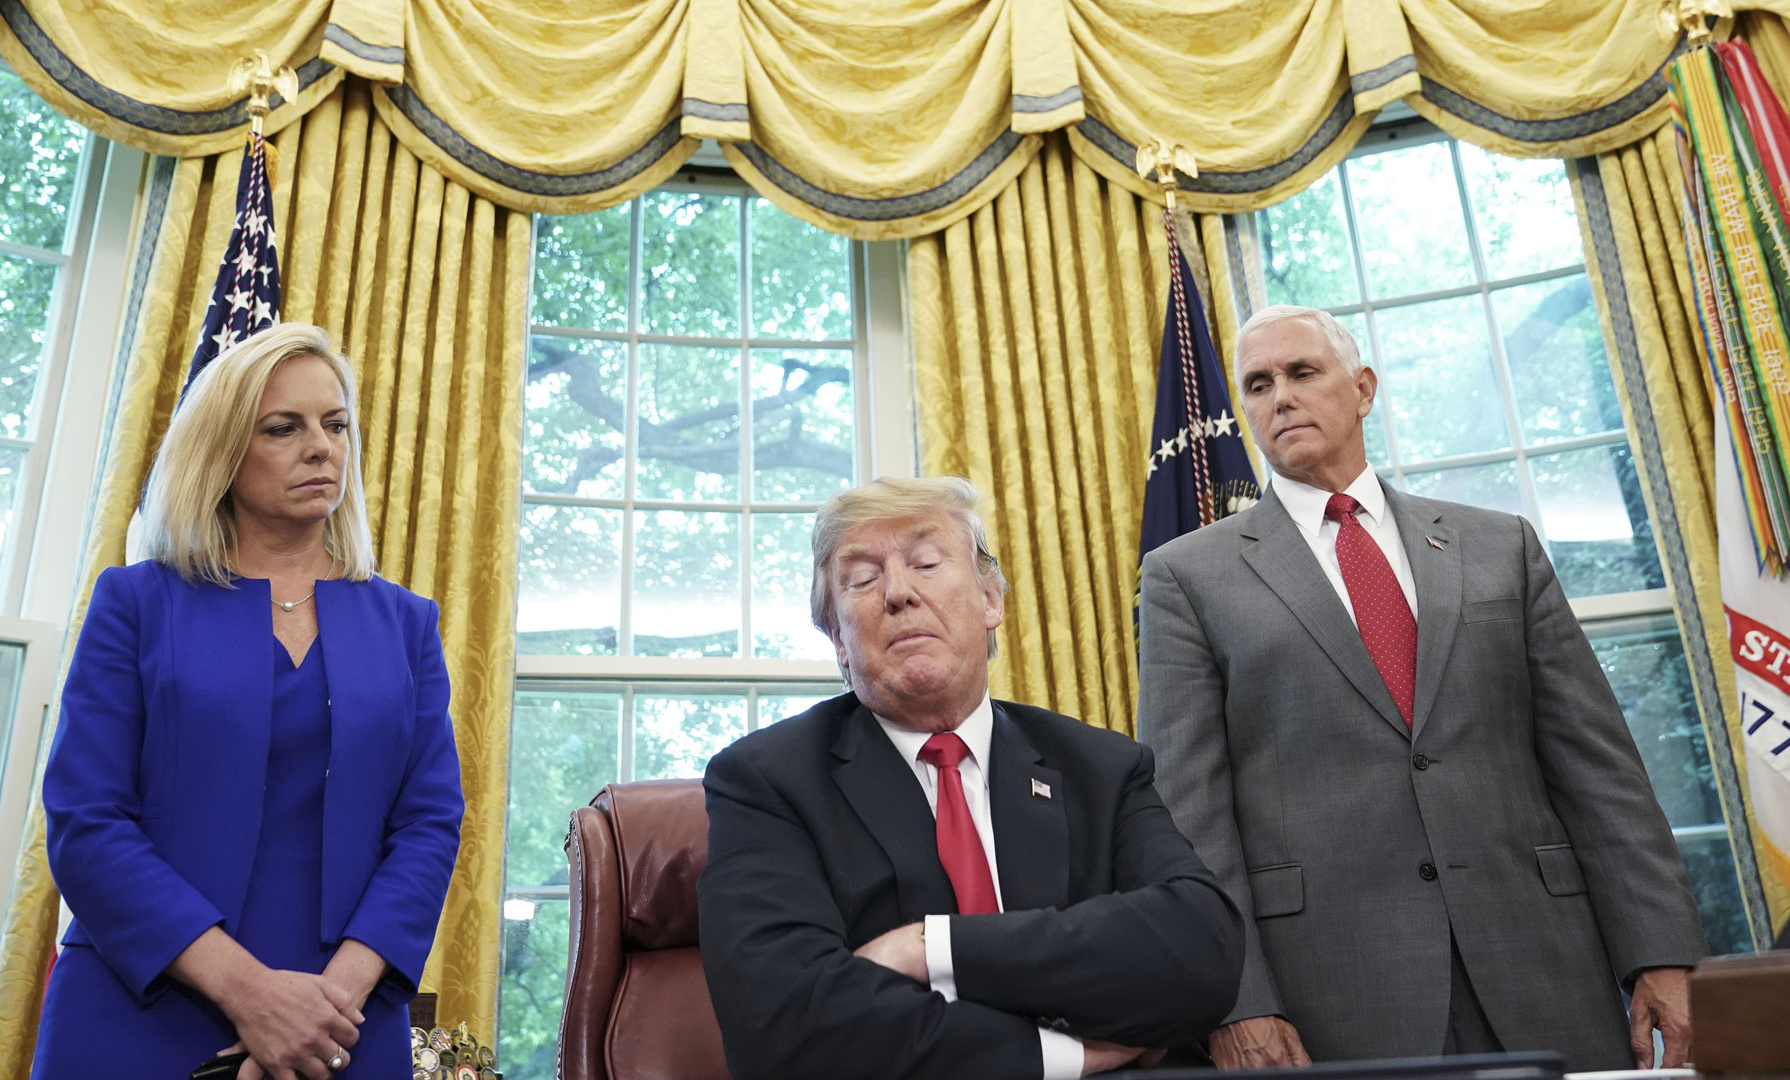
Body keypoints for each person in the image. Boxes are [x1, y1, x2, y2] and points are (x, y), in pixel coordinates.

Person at [1137, 305, 1706, 1072]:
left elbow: (1599, 769)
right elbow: (1187, 814)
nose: (1281, 398)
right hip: (1333, 993)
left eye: (1303, 373)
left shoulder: (1497, 545)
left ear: (1363, 388)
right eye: (1259, 384)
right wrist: (1237, 1000)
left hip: (1542, 961)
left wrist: (1660, 950)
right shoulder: (1187, 576)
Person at [698, 476, 1244, 1080]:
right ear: (838, 642)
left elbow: (1203, 952)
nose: (899, 593)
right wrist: (1060, 1056)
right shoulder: (766, 781)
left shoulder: (1101, 766)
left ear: (991, 601)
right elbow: (782, 1025)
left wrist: (930, 948)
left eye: (926, 562)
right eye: (862, 579)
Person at [32, 324, 465, 1080]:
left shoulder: (406, 623)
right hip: (141, 1007)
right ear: (223, 449)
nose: (322, 447)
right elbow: (86, 820)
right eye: (283, 428)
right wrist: (252, 995)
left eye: (335, 425)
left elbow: (428, 825)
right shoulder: (135, 602)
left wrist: (321, 1008)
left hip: (344, 1021)